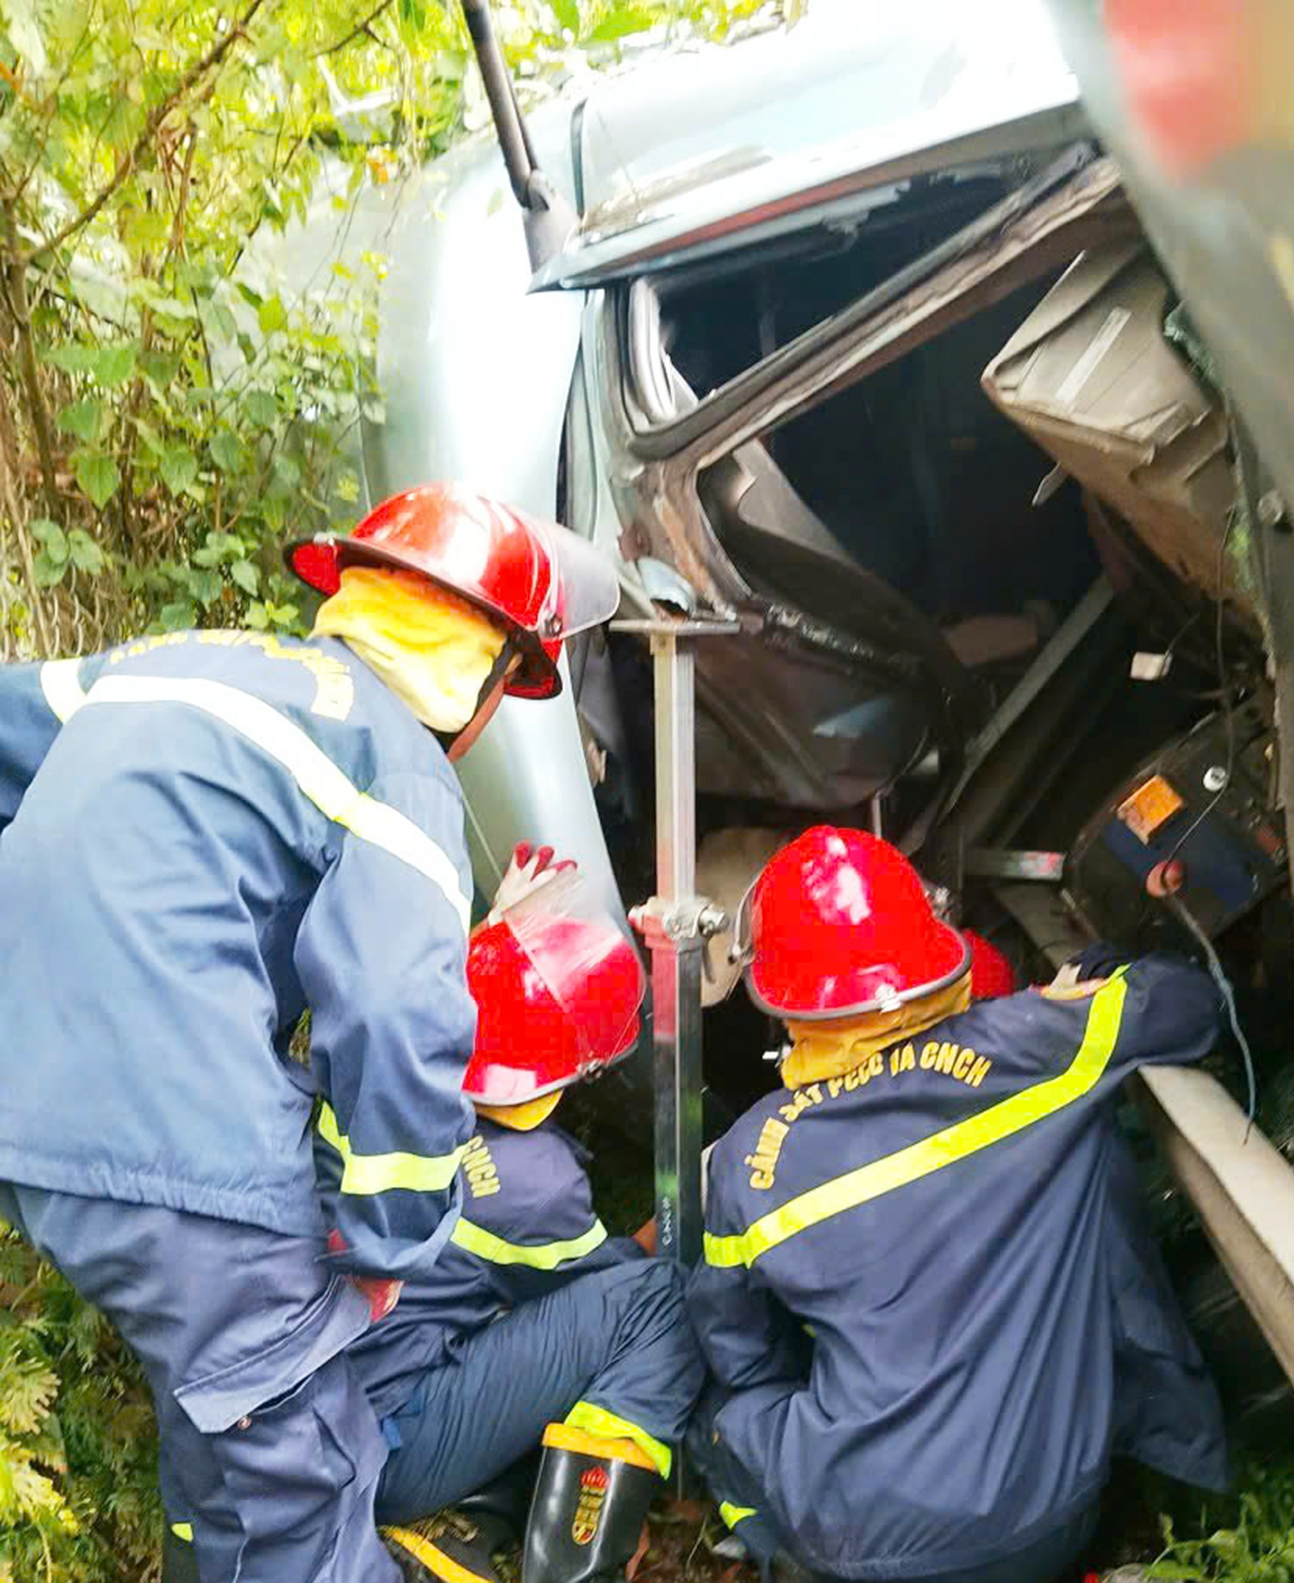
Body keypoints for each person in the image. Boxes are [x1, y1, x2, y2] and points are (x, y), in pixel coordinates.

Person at [0, 482, 619, 1583]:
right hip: (184, 1146)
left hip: (29, 1120)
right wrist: (392, 1240)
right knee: (306, 1490)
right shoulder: (401, 773)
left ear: (354, 595)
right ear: (481, 679)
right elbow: (394, 1011)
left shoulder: (180, 662)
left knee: (224, 1433)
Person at [688, 826, 1229, 1583]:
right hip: (1055, 1519)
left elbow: (739, 1352)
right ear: (931, 953)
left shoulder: (749, 1160)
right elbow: (1192, 1004)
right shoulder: (1039, 1044)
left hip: (862, 1542)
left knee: (719, 1413)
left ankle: (783, 1558)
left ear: (786, 1006)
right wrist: (1101, 981)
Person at [164, 863, 705, 1583]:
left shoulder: (375, 1078)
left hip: (297, 1414)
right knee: (659, 1301)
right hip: (392, 1445)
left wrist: (495, 937)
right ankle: (580, 1555)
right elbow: (606, 1297)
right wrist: (699, 1191)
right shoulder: (537, 1185)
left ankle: (479, 1515)